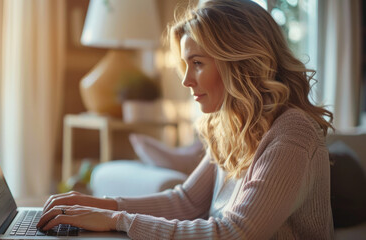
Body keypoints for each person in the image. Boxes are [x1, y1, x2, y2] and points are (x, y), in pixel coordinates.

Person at [37, 0, 335, 239]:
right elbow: (187, 201)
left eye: (197, 63)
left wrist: (117, 220)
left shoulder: (292, 132)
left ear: (238, 62)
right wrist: (95, 204)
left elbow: (236, 232)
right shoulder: (230, 126)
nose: (187, 80)